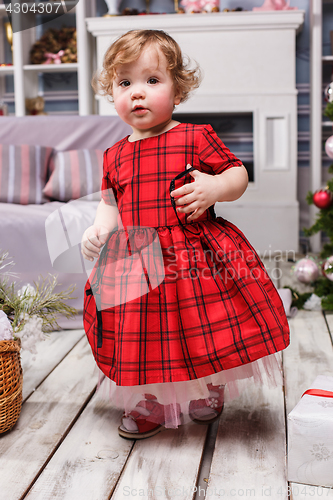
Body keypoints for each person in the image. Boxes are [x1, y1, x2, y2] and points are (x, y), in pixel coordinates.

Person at [81, 29, 289, 440]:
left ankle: (206, 387)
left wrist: (214, 188)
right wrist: (100, 228)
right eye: (125, 83)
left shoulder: (195, 137)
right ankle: (150, 399)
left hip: (192, 252)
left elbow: (236, 173)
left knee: (202, 322)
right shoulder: (114, 154)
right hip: (136, 258)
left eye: (151, 80)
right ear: (112, 93)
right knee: (141, 332)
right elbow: (110, 202)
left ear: (178, 91)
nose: (137, 93)